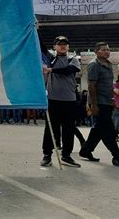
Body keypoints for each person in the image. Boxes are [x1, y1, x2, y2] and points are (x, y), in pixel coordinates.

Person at [79, 42, 119, 168]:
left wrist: (113, 100)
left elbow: (109, 85)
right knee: (108, 130)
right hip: (99, 102)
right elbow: (92, 86)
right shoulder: (94, 65)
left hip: (107, 101)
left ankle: (85, 150)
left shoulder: (109, 65)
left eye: (108, 49)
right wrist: (94, 105)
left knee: (99, 129)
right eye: (104, 50)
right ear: (96, 51)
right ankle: (116, 156)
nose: (107, 52)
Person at [41, 36, 81, 168]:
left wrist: (51, 70)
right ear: (55, 47)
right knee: (51, 128)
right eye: (59, 44)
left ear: (68, 47)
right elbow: (40, 46)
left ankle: (66, 155)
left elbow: (69, 70)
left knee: (68, 129)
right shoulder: (51, 59)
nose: (62, 46)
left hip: (69, 100)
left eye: (65, 44)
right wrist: (36, 29)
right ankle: (47, 155)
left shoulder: (73, 60)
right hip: (53, 99)